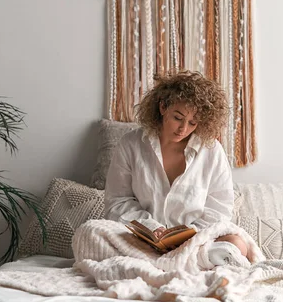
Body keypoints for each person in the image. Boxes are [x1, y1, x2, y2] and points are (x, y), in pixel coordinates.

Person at [104, 71, 249, 264]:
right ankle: (191, 263)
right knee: (91, 232)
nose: (183, 129)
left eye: (192, 123)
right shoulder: (131, 144)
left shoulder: (212, 150)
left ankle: (177, 260)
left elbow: (220, 207)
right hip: (141, 239)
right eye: (178, 117)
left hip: (194, 241)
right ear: (163, 107)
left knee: (237, 243)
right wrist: (151, 227)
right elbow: (118, 201)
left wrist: (189, 235)